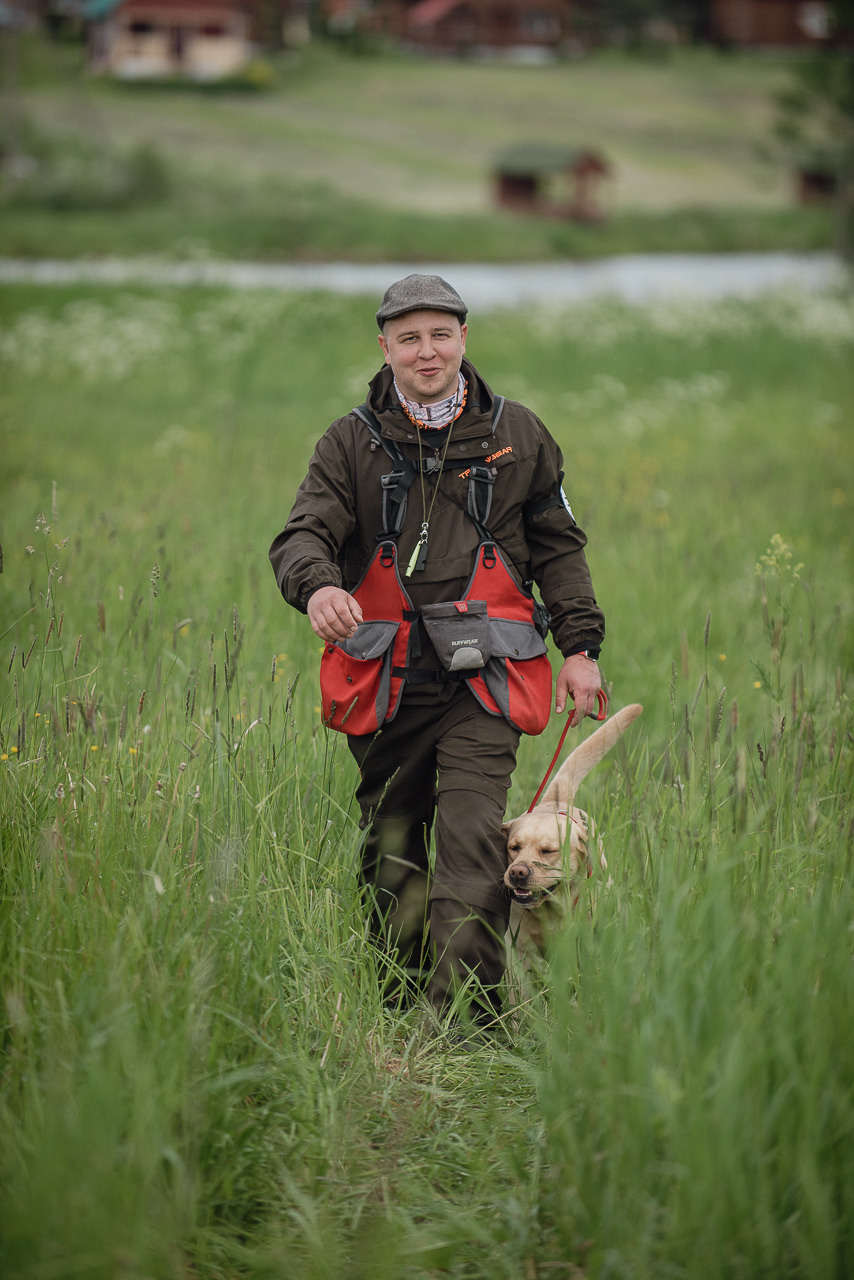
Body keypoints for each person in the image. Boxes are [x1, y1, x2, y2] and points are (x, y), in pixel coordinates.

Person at [269, 273, 604, 1028]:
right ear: (385, 346)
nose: (428, 351)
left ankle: (469, 1020)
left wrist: (580, 647)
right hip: (388, 682)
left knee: (473, 837)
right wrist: (319, 587)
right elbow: (302, 534)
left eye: (441, 334)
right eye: (410, 337)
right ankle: (398, 1000)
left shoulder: (520, 433)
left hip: (488, 678)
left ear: (464, 339)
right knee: (392, 847)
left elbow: (560, 547)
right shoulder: (348, 441)